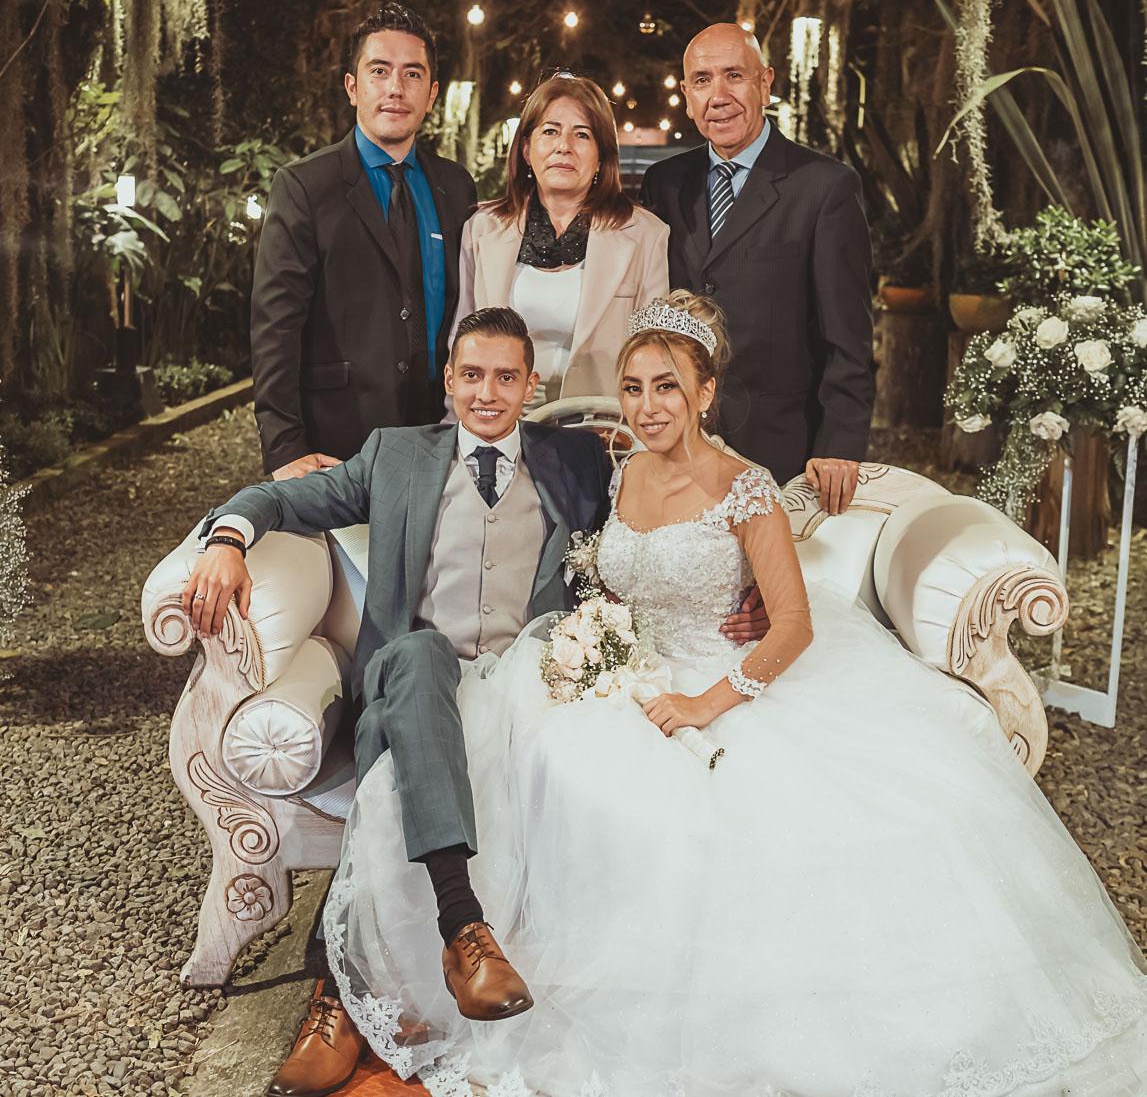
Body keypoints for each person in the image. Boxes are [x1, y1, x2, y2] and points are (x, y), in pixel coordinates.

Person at [322, 292, 1147, 1096]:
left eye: (667, 387)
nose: (647, 407)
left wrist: (706, 702)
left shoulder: (745, 486)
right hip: (632, 678)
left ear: (705, 392)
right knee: (546, 767)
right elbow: (595, 577)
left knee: (719, 824)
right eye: (634, 388)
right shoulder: (619, 474)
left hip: (726, 685)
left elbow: (792, 625)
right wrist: (597, 647)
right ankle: (468, 954)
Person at [182, 306, 767, 1097]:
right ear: (448, 381)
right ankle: (460, 932)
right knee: (419, 654)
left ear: (531, 386)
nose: (486, 393)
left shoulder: (578, 461)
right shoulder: (394, 455)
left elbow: (679, 513)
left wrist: (748, 586)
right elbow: (281, 499)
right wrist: (227, 540)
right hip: (409, 685)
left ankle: (342, 991)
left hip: (526, 691)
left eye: (504, 377)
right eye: (470, 376)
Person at [641, 23, 875, 515]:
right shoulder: (664, 184)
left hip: (780, 451)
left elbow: (848, 335)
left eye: (734, 76)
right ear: (687, 97)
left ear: (765, 83)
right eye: (702, 80)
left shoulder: (825, 187)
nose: (718, 96)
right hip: (676, 444)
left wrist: (840, 443)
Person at [251, 2, 477, 480]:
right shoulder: (305, 186)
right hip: (335, 441)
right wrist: (285, 446)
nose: (396, 88)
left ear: (432, 94)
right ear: (353, 87)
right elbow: (276, 326)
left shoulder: (455, 187)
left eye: (413, 74)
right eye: (379, 71)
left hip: (440, 437)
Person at [449, 73, 668, 412]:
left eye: (582, 134)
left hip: (602, 425)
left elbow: (656, 355)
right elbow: (460, 342)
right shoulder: (482, 229)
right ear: (526, 149)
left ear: (601, 155)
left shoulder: (645, 234)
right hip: (502, 423)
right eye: (550, 131)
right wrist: (455, 423)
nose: (564, 146)